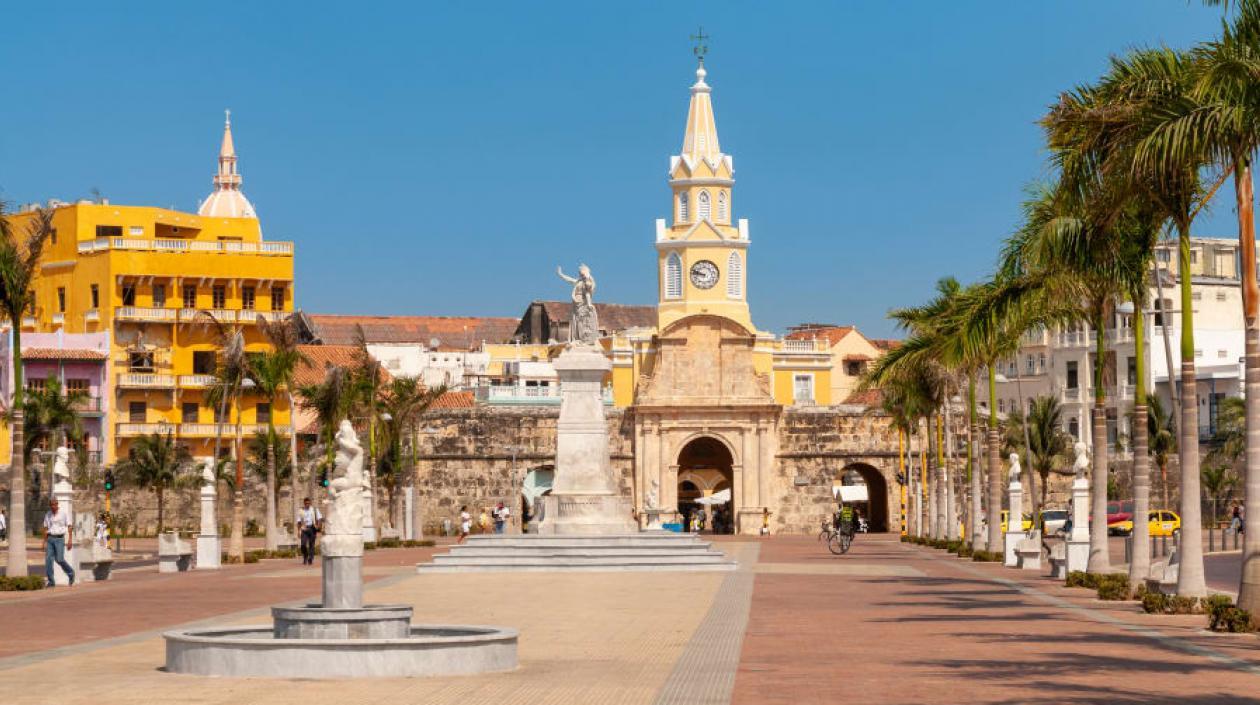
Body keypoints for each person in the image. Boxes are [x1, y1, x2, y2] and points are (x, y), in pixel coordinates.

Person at [43, 497, 75, 587]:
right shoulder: (48, 514)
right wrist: (44, 542)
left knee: (59, 559)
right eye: (51, 505)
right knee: (48, 560)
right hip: (50, 539)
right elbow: (45, 528)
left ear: (57, 504)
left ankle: (70, 573)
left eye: (55, 504)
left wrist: (70, 540)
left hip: (60, 539)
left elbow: (69, 526)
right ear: (50, 506)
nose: (53, 506)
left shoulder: (63, 514)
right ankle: (51, 581)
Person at [297, 498, 322, 565]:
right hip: (304, 529)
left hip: (312, 528)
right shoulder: (301, 511)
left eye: (308, 503)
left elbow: (319, 518)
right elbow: (299, 521)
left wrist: (318, 526)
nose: (307, 504)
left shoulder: (314, 509)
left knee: (311, 544)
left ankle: (310, 558)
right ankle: (305, 556)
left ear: (310, 503)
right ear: (304, 503)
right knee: (303, 545)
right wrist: (298, 531)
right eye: (306, 503)